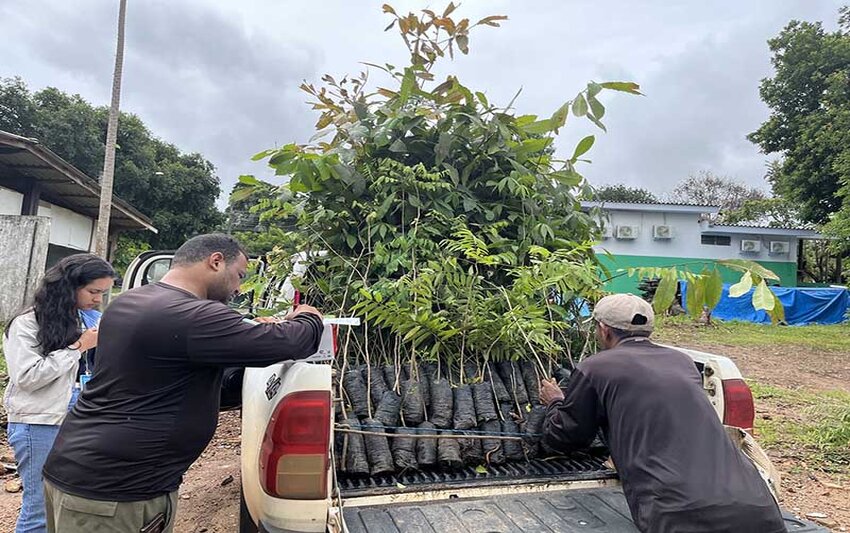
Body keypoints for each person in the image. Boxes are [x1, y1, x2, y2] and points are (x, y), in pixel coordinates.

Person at [41, 234, 324, 533]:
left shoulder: (132, 302)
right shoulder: (190, 314)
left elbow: (183, 381)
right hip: (114, 493)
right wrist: (307, 316)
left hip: (86, 472)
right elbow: (291, 341)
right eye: (239, 275)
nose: (239, 287)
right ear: (215, 261)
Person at [539, 293, 785, 533]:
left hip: (682, 517)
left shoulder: (596, 367)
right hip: (760, 510)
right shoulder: (682, 361)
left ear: (604, 330)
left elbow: (566, 437)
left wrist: (555, 403)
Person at [3, 253, 114, 533]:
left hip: (76, 419)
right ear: (69, 286)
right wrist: (78, 347)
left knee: (70, 504)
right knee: (39, 508)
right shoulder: (27, 324)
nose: (98, 299)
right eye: (93, 291)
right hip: (38, 424)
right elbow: (27, 377)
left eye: (103, 293)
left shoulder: (84, 319)